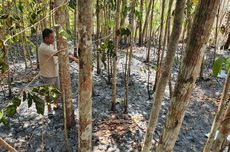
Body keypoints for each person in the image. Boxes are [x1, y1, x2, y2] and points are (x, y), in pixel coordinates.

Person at [38, 28, 78, 117]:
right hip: (47, 75)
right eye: (52, 38)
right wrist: (74, 58)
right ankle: (49, 110)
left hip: (54, 72)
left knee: (57, 91)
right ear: (45, 38)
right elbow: (59, 54)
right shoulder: (43, 48)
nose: (53, 39)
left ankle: (55, 105)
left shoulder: (50, 45)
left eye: (54, 37)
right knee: (48, 93)